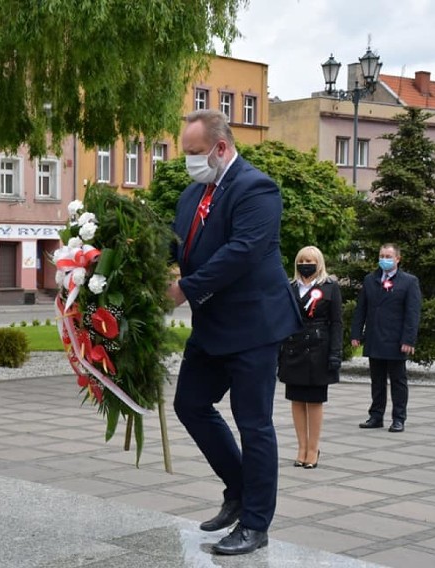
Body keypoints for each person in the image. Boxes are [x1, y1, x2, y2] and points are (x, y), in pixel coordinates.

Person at [167, 109, 302, 556]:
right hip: (211, 326)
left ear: (221, 148)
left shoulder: (256, 188)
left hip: (253, 326)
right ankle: (239, 490)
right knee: (190, 404)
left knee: (254, 424)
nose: (188, 161)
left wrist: (184, 289)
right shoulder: (193, 194)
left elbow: (241, 252)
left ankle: (255, 523)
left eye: (194, 153)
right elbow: (177, 243)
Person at [277, 246, 343, 470]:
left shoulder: (330, 287)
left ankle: (313, 449)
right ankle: (301, 447)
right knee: (296, 399)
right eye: (302, 260)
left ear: (319, 262)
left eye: (310, 260)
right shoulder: (290, 286)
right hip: (294, 348)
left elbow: (336, 323)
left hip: (319, 349)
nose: (305, 264)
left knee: (314, 401)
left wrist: (335, 353)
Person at [351, 243, 422, 433]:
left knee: (398, 381)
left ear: (397, 259)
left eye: (388, 256)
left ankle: (399, 418)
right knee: (377, 380)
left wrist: (408, 339)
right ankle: (376, 416)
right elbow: (361, 309)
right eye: (382, 255)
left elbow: (412, 313)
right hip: (375, 337)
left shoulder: (409, 281)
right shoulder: (370, 279)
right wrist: (356, 333)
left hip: (396, 339)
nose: (384, 259)